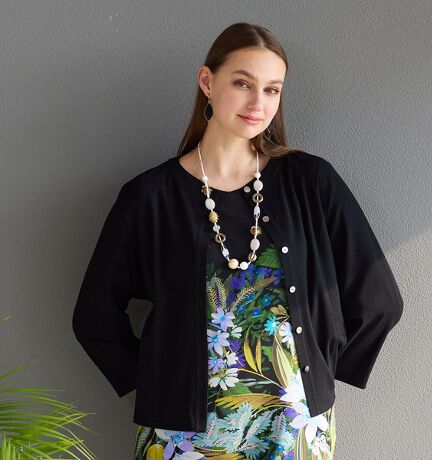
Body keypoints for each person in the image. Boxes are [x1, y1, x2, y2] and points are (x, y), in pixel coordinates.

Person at [72, 22, 404, 460]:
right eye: (243, 83)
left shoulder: (309, 181)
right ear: (207, 82)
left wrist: (322, 375)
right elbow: (94, 316)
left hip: (292, 427)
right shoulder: (149, 197)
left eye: (272, 89)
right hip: (181, 434)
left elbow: (380, 300)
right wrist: (157, 382)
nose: (257, 103)